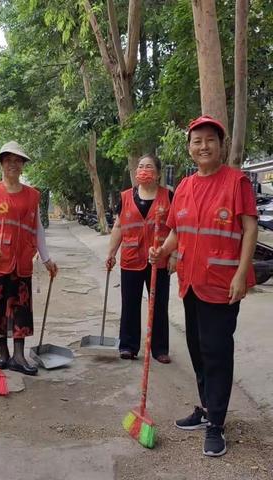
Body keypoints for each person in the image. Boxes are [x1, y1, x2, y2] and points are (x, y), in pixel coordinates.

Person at [149, 115, 258, 457]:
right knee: (197, 349)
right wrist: (162, 251)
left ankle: (217, 424)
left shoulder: (235, 182)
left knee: (216, 352)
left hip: (223, 284)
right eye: (197, 141)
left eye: (210, 139)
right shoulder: (183, 187)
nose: (203, 146)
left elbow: (250, 228)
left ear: (220, 145)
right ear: (189, 149)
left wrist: (242, 274)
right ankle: (207, 407)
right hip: (191, 282)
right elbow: (177, 231)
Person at [0, 141, 58, 376]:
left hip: (21, 261)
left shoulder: (32, 195)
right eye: (8, 160)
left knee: (19, 308)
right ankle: (3, 353)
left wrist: (46, 258)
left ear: (22, 166)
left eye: (17, 160)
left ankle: (19, 356)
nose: (13, 164)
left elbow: (37, 228)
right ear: (1, 164)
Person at [105, 154, 174, 364]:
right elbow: (118, 227)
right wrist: (110, 253)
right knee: (130, 304)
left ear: (158, 173)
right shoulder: (125, 197)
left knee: (159, 305)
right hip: (131, 259)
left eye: (149, 167)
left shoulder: (169, 197)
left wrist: (175, 256)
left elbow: (177, 229)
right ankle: (128, 346)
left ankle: (160, 349)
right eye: (141, 166)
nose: (144, 170)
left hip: (158, 260)